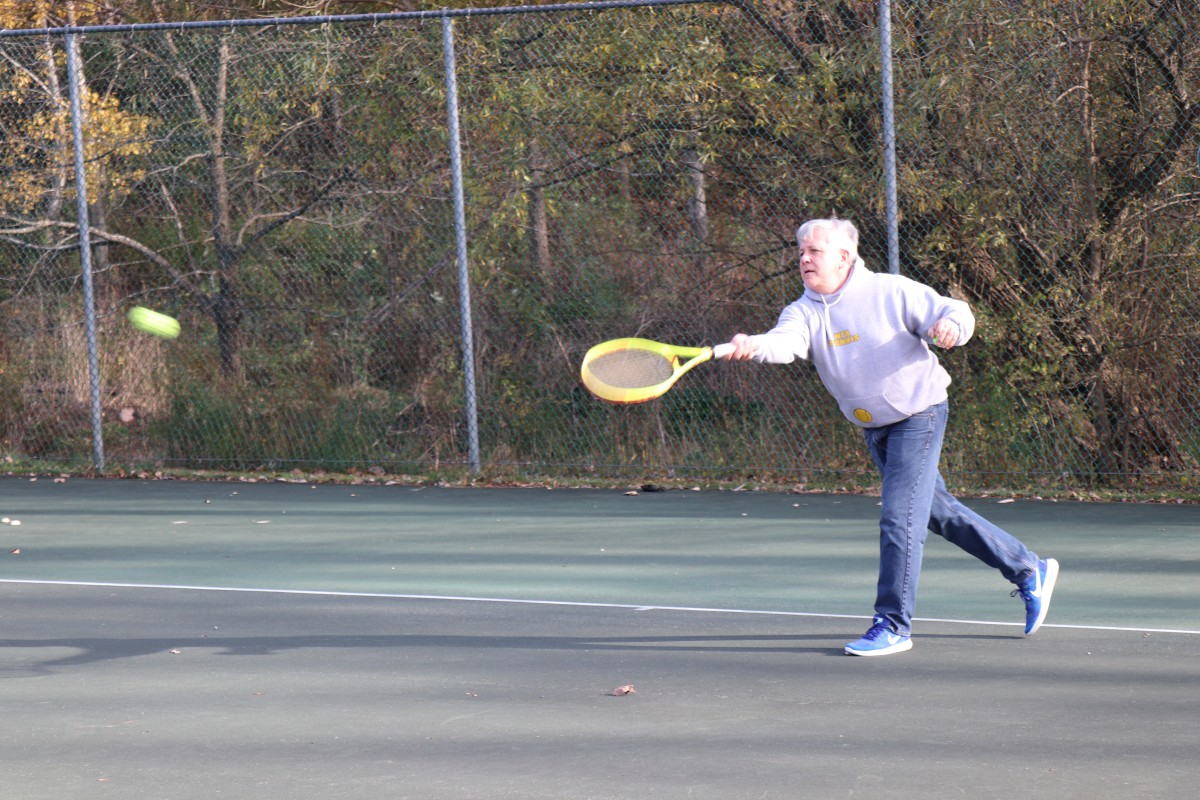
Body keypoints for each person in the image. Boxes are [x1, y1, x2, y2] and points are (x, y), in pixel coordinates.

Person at [723, 217, 1058, 656]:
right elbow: (784, 343)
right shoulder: (802, 311)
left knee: (899, 516)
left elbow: (953, 311)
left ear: (844, 256)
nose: (803, 258)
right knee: (936, 513)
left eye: (814, 252)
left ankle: (893, 624)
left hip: (919, 413)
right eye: (801, 251)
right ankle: (1027, 569)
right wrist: (755, 345)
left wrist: (954, 329)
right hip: (874, 428)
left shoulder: (889, 291)